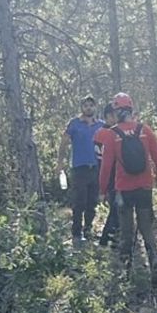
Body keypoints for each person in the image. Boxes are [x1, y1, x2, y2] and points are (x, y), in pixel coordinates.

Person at [97, 93, 157, 281]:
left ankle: (125, 272)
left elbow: (106, 167)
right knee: (146, 227)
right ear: (130, 109)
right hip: (144, 186)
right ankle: (155, 260)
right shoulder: (145, 130)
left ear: (117, 111)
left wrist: (103, 190)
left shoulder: (112, 135)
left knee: (126, 231)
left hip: (123, 189)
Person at [57, 95, 104, 246]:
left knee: (92, 202)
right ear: (82, 108)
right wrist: (60, 163)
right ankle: (76, 234)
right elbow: (64, 143)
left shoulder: (101, 125)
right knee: (79, 202)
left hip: (96, 167)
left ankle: (88, 230)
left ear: (95, 107)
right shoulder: (74, 124)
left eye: (91, 105)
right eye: (86, 105)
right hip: (79, 168)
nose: (88, 108)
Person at [93, 102, 121, 248]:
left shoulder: (102, 132)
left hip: (112, 174)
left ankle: (113, 236)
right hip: (111, 175)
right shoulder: (105, 133)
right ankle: (107, 238)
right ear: (109, 116)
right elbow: (103, 159)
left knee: (117, 207)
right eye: (116, 115)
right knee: (116, 207)